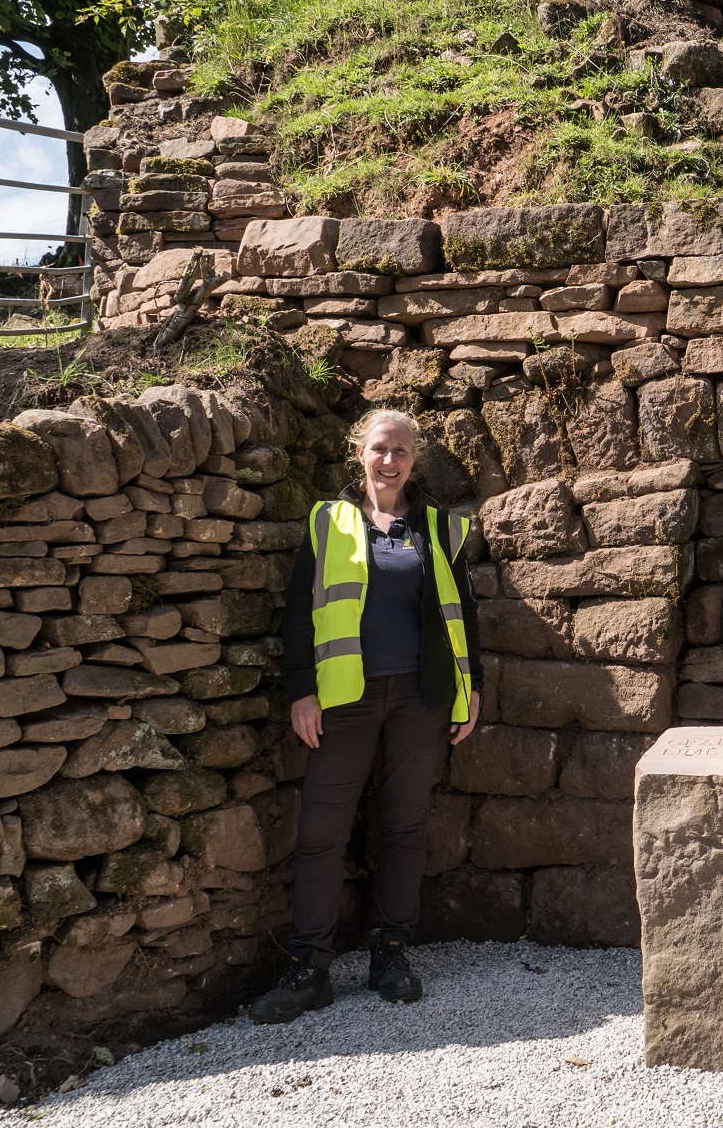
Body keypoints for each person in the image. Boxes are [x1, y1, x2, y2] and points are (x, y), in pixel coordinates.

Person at [250, 409, 483, 1024]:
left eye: (401, 450)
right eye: (381, 448)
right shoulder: (329, 522)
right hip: (342, 699)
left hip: (419, 697)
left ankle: (392, 953)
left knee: (405, 826)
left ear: (413, 460)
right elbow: (299, 611)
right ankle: (310, 968)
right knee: (321, 834)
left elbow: (463, 614)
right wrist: (302, 690)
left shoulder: (436, 527)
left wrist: (472, 686)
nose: (390, 460)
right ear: (361, 454)